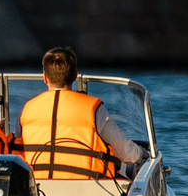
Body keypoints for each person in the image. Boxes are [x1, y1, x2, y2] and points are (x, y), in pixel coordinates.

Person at [17, 47, 144, 181]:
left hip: (36, 187)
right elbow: (125, 153)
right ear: (75, 75)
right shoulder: (94, 109)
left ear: (45, 77)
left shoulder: (27, 109)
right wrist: (142, 154)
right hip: (86, 188)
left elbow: (19, 150)